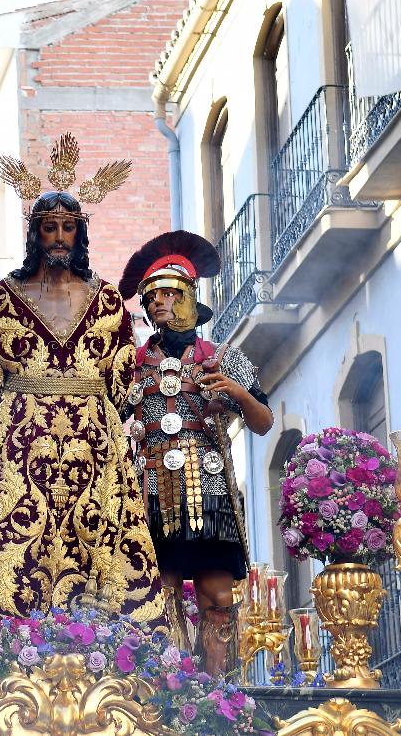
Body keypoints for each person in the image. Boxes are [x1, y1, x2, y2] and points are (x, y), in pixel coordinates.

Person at [0, 134, 164, 624]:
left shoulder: (108, 297)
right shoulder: (4, 296)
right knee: (16, 542)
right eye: (48, 227)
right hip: (23, 437)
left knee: (100, 536)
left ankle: (108, 640)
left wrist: (105, 416)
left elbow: (123, 367)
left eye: (67, 228)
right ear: (35, 234)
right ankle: (7, 642)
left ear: (79, 235)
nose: (58, 238)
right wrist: (13, 412)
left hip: (94, 437)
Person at [118, 231, 274, 677]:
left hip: (208, 488)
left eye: (169, 294)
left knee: (218, 595)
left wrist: (238, 393)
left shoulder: (224, 356)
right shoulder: (131, 363)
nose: (159, 304)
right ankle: (169, 696)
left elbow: (263, 423)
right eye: (152, 297)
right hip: (151, 486)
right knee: (159, 595)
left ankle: (217, 692)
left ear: (190, 297)